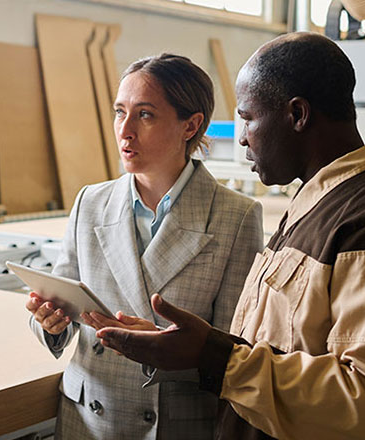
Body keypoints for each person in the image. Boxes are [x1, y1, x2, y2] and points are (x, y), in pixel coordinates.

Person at [90, 32, 365, 439]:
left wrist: (214, 356)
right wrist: (189, 347)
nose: (241, 137)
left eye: (248, 117)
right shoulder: (314, 204)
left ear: (297, 115)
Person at [25, 54, 264, 439]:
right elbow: (62, 302)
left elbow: (234, 353)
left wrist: (161, 350)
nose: (125, 131)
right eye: (120, 112)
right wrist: (50, 322)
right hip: (88, 418)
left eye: (145, 115)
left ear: (191, 125)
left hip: (175, 423)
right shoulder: (91, 202)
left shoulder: (235, 217)